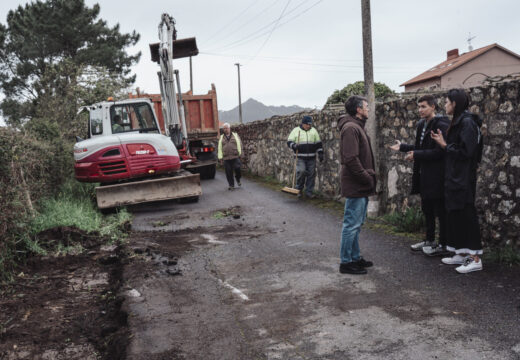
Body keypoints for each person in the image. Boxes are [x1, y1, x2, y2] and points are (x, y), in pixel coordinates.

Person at [431, 89, 484, 273]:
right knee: (456, 214)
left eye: (447, 102)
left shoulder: (468, 123)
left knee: (467, 214)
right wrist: (444, 143)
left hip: (464, 178)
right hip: (455, 176)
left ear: (454, 103)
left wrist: (445, 145)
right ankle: (461, 253)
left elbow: (466, 152)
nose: (445, 105)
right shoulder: (459, 121)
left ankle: (475, 258)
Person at [389, 95, 450, 256]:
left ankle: (443, 244)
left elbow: (439, 152)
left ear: (433, 107)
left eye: (423, 107)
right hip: (424, 175)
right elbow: (419, 147)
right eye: (419, 107)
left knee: (440, 211)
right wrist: (403, 147)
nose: (420, 110)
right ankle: (430, 240)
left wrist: (416, 154)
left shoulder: (441, 124)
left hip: (437, 175)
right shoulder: (422, 124)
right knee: (427, 209)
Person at [337, 96, 376, 275]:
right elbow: (351, 159)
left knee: (356, 224)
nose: (368, 109)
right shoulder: (351, 128)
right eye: (366, 106)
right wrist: (366, 177)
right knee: (351, 225)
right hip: (356, 184)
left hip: (359, 184)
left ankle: (354, 257)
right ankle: (346, 262)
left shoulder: (356, 127)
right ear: (359, 109)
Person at [286, 115, 324, 198]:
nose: (309, 126)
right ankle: (298, 189)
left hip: (312, 157)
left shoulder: (314, 131)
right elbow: (289, 142)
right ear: (303, 124)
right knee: (302, 172)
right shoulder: (296, 130)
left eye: (310, 124)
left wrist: (320, 153)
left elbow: (318, 143)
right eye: (307, 124)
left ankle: (309, 192)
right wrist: (294, 146)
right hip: (300, 157)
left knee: (311, 174)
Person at [218, 123, 242, 190]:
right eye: (224, 128)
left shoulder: (235, 135)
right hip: (226, 157)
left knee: (238, 169)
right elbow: (219, 148)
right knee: (228, 172)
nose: (225, 129)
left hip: (235, 156)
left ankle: (238, 178)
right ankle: (231, 185)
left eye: (227, 128)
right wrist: (220, 158)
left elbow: (240, 144)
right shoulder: (221, 137)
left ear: (229, 128)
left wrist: (241, 154)